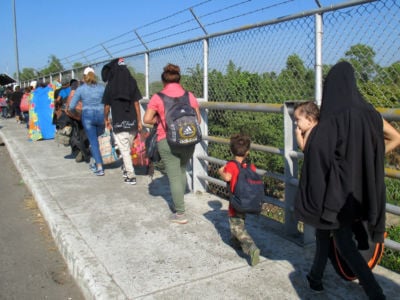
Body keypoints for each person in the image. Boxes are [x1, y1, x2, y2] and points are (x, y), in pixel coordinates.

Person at [295, 61, 400, 299]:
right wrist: (370, 158)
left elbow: (315, 156)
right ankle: (315, 278)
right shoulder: (371, 114)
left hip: (337, 194)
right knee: (325, 235)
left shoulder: (331, 120)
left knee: (343, 243)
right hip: (363, 189)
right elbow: (396, 137)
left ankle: (375, 293)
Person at [143, 63, 201, 224]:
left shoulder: (158, 97)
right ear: (179, 79)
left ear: (163, 81)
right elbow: (199, 119)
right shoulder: (190, 96)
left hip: (167, 140)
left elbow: (146, 119)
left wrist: (159, 119)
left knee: (174, 175)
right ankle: (180, 199)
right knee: (181, 169)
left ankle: (180, 214)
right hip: (189, 140)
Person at [218, 133, 261, 266]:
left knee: (237, 227)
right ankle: (235, 242)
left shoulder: (231, 165)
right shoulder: (250, 166)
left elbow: (227, 178)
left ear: (231, 150)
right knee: (239, 222)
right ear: (247, 152)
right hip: (247, 200)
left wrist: (220, 171)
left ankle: (251, 248)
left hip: (236, 202)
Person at [101, 58, 143, 185]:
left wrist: (106, 119)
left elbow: (107, 106)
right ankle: (126, 168)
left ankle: (131, 176)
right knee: (127, 148)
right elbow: (136, 103)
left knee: (124, 150)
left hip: (119, 122)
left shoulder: (110, 85)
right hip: (132, 123)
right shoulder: (132, 82)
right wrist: (139, 121)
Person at [69, 67, 105, 176]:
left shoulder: (81, 89)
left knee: (93, 142)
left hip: (87, 117)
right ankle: (97, 161)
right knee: (99, 139)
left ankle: (99, 167)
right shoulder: (102, 88)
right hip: (101, 116)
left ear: (84, 77)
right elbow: (108, 104)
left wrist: (76, 114)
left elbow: (71, 106)